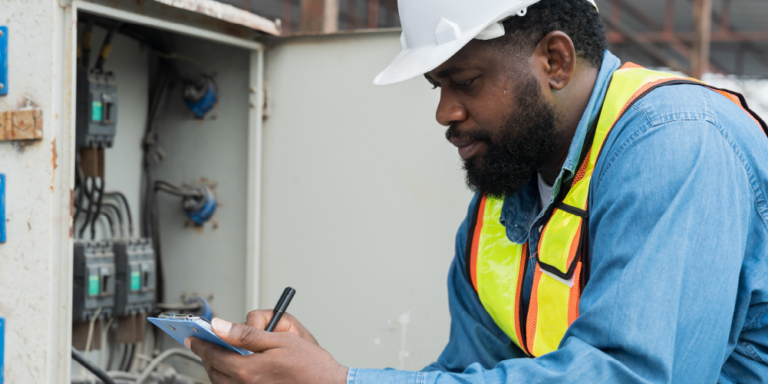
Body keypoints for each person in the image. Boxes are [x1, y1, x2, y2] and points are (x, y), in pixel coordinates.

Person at [186, 0, 768, 382]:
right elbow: (469, 373)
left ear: (555, 60)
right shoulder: (501, 200)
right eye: (437, 85)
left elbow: (634, 375)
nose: (444, 112)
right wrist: (314, 371)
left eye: (465, 81)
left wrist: (341, 383)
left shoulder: (675, 143)